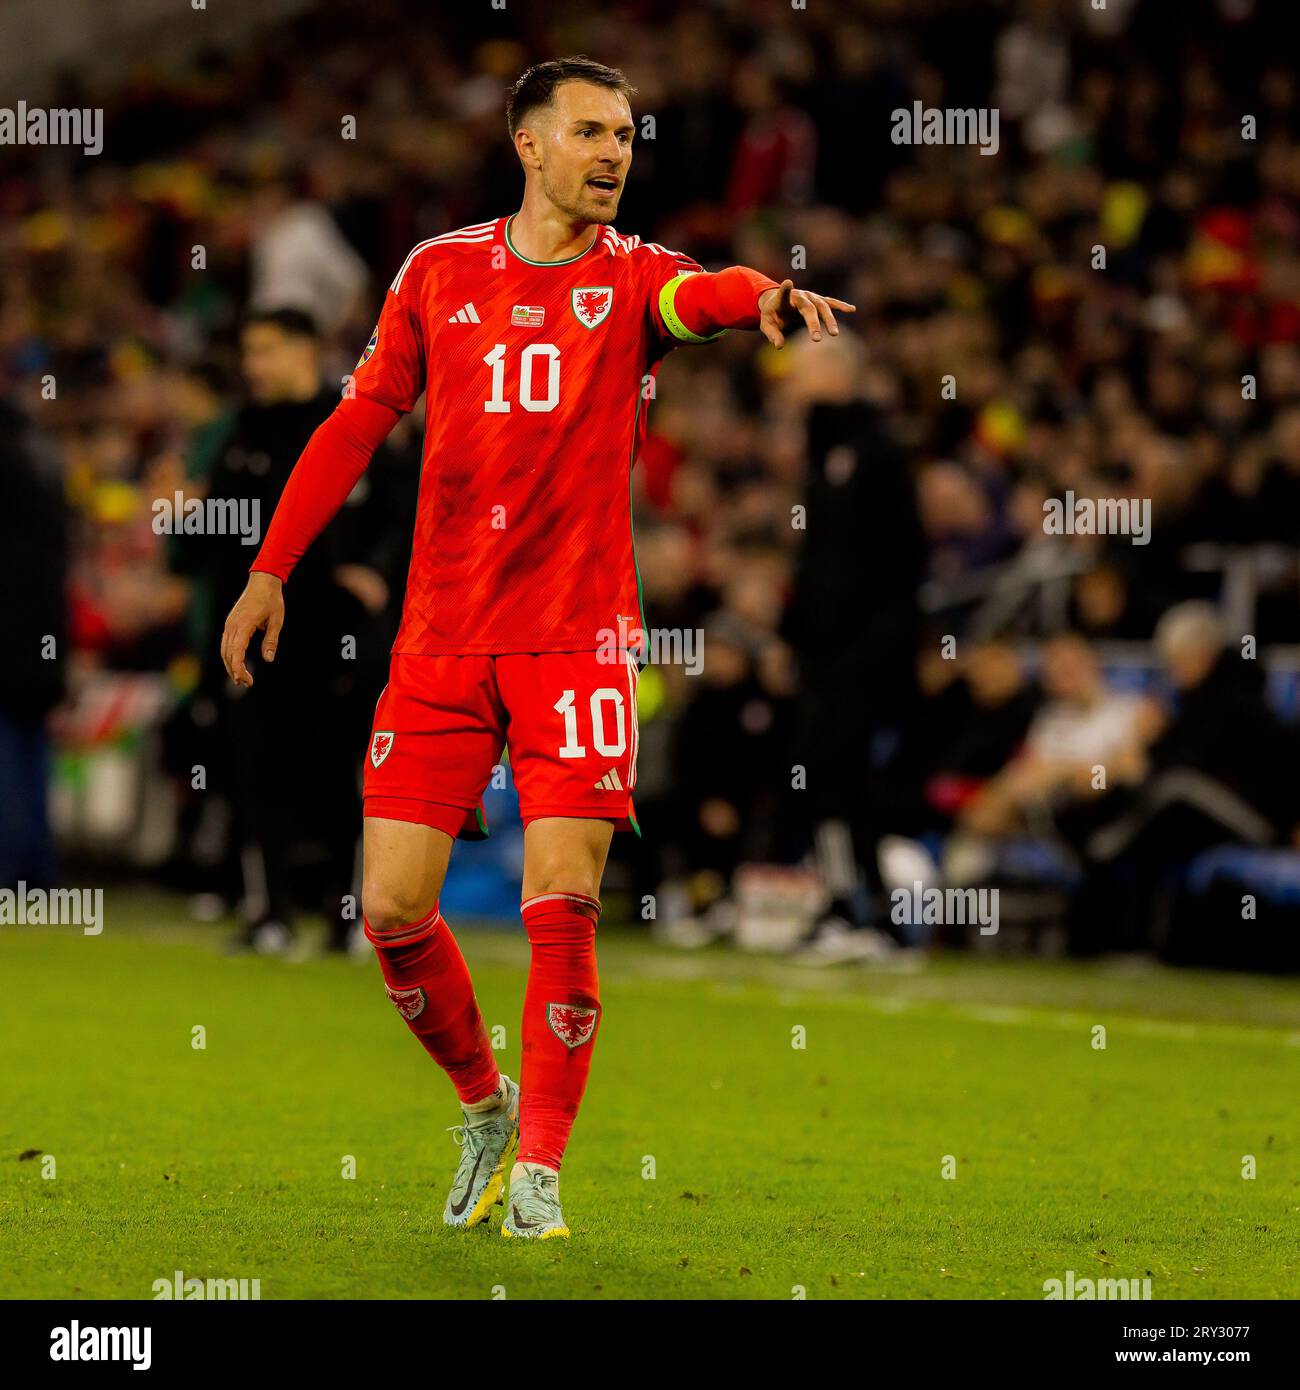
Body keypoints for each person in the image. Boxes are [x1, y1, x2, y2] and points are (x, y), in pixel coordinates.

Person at [220, 57, 852, 1240]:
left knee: (561, 897)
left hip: (576, 640)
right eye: (590, 134)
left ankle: (545, 1170)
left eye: (626, 135)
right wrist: (268, 572)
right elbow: (355, 421)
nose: (614, 154)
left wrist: (762, 295)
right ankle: (483, 1103)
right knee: (391, 910)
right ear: (528, 145)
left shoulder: (633, 281)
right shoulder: (438, 271)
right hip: (443, 636)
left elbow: (702, 297)